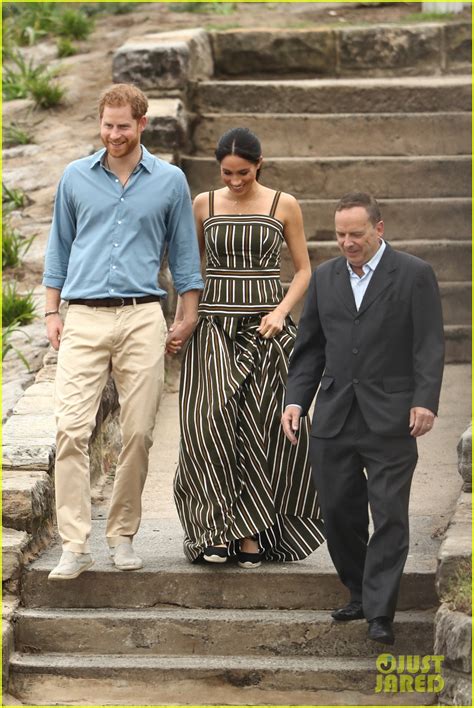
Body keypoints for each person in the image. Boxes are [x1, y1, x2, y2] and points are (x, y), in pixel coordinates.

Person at [43, 83, 203, 580]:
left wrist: (187, 312)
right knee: (71, 430)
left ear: (142, 124)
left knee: (138, 432)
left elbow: (183, 255)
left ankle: (122, 535)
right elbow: (58, 248)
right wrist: (52, 311)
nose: (114, 134)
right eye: (107, 125)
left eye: (123, 126)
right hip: (84, 315)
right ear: (101, 123)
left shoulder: (170, 181)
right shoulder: (75, 177)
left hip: (141, 315)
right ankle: (74, 543)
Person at [282, 192, 444, 644]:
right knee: (337, 513)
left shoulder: (414, 275)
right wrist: (296, 400)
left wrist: (425, 399)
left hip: (392, 416)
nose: (347, 243)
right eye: (340, 234)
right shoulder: (326, 277)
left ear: (379, 228)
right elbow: (310, 348)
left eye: (356, 233)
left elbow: (429, 344)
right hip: (334, 416)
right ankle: (358, 589)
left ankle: (379, 611)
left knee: (389, 513)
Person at [169, 127, 325, 568]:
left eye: (243, 172)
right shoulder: (203, 203)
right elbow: (189, 269)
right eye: (227, 173)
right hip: (213, 329)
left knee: (264, 429)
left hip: (265, 331)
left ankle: (253, 533)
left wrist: (280, 312)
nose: (235, 181)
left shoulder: (284, 204)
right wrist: (185, 319)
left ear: (259, 164)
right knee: (208, 428)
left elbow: (303, 271)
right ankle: (214, 531)